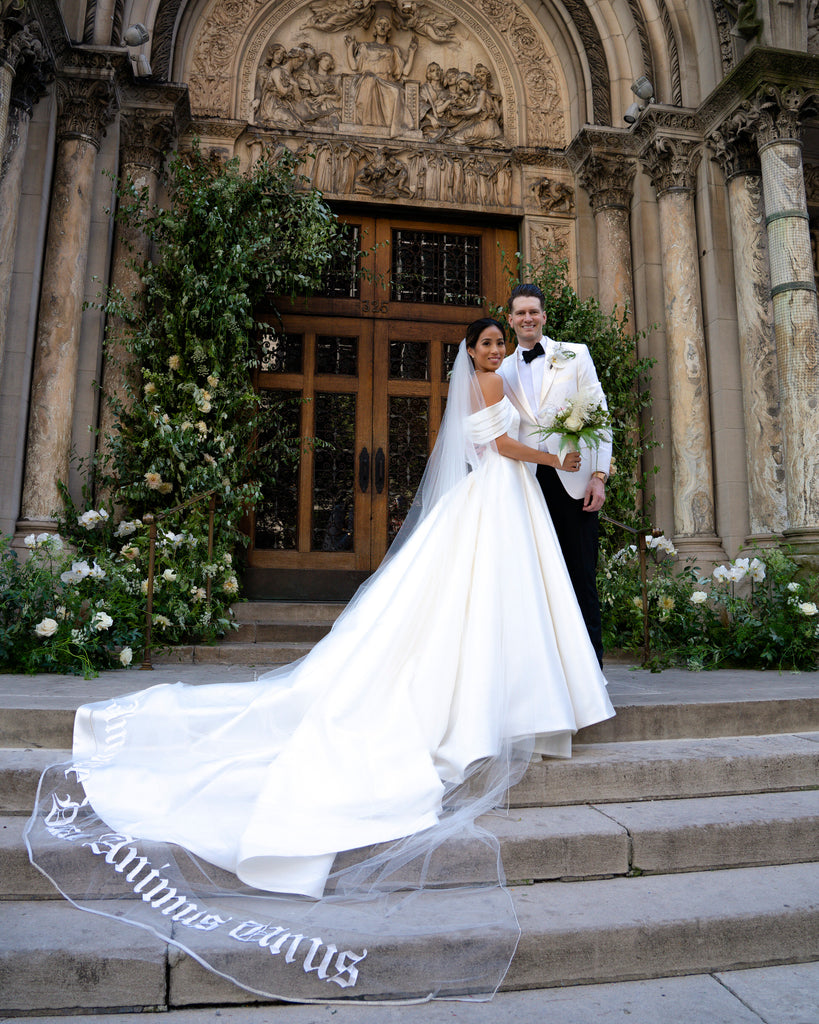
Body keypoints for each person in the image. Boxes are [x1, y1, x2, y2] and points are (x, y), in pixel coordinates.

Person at [27, 319, 614, 1005]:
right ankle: (497, 703)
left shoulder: (514, 371)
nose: (493, 349)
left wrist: (577, 455)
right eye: (484, 342)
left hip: (503, 499)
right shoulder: (489, 379)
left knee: (491, 601)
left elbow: (535, 427)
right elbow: (506, 444)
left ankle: (509, 699)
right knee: (476, 599)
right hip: (499, 494)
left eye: (496, 340)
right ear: (471, 353)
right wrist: (554, 460)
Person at [499, 283, 612, 666]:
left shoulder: (575, 355)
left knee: (581, 576)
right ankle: (546, 671)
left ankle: (591, 669)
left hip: (575, 479)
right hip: (525, 483)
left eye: (534, 311)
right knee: (534, 580)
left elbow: (600, 416)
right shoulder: (500, 369)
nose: (527, 318)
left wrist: (599, 475)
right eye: (520, 313)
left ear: (544, 316)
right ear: (510, 319)